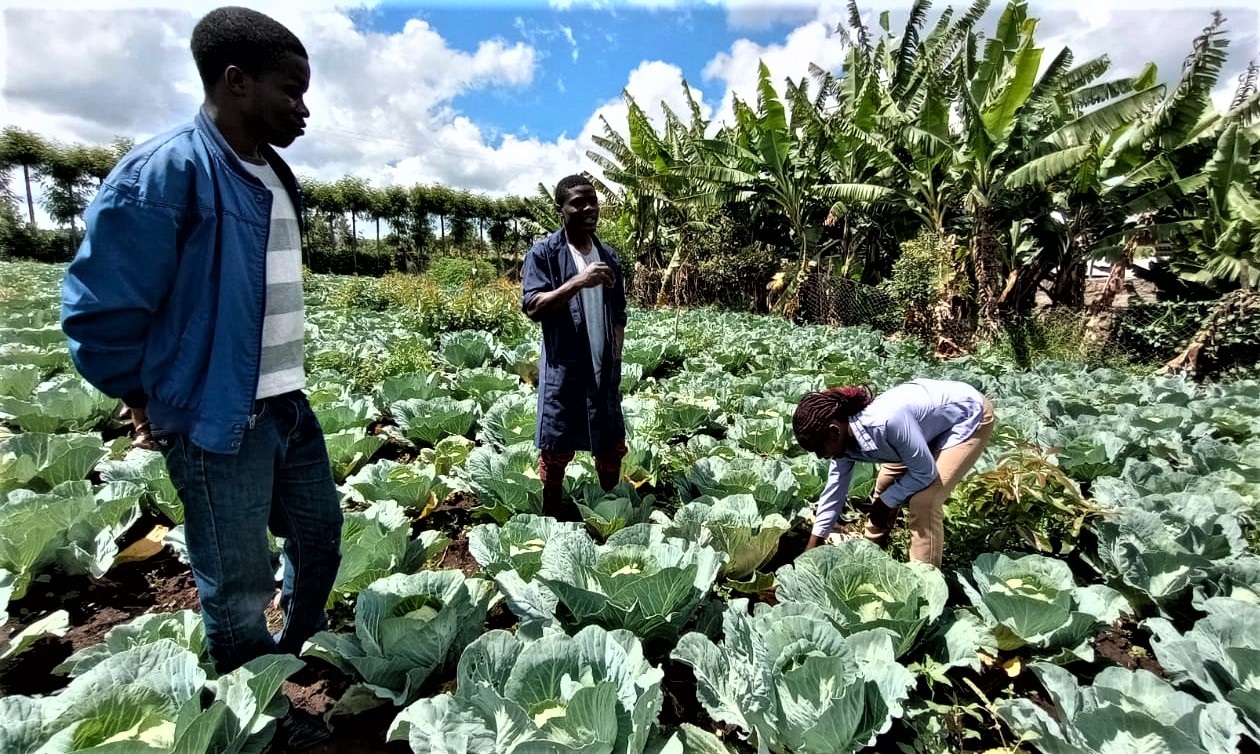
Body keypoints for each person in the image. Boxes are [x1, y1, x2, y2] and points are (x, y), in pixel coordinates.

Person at [61, 7, 339, 746]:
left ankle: (276, 662)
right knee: (237, 584)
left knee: (321, 539)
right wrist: (145, 397)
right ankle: (257, 718)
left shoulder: (273, 173)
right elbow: (98, 311)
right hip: (218, 420)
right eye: (292, 89)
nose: (304, 108)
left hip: (285, 405)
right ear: (236, 81)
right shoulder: (163, 173)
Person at [791, 379, 995, 567]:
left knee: (925, 501)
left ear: (834, 431)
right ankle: (870, 557)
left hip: (965, 415)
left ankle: (925, 579)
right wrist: (811, 550)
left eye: (818, 448)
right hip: (918, 431)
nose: (819, 456)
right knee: (885, 484)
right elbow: (834, 492)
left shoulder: (886, 422)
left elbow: (925, 472)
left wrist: (887, 501)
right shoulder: (842, 442)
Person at [521, 174, 628, 519]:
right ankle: (551, 518)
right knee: (555, 452)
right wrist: (579, 282)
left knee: (611, 448)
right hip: (565, 370)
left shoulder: (609, 256)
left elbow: (619, 314)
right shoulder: (544, 254)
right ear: (561, 209)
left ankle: (609, 517)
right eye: (577, 203)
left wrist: (615, 355)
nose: (587, 209)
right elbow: (533, 307)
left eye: (592, 201)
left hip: (603, 368)